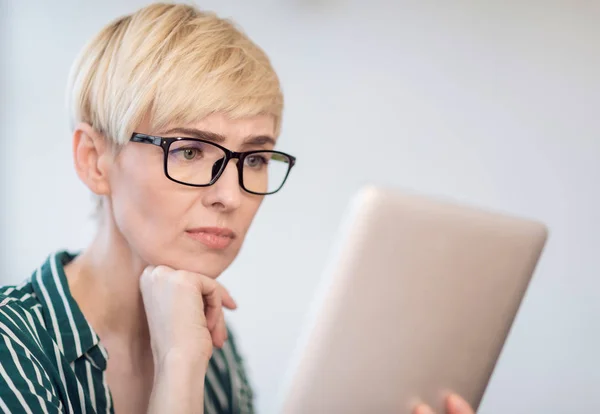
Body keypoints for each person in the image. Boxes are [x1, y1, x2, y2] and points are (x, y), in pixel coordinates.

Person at [0, 3, 475, 413]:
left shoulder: (213, 345)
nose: (230, 195)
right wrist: (180, 368)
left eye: (254, 158)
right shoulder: (13, 346)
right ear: (94, 160)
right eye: (189, 151)